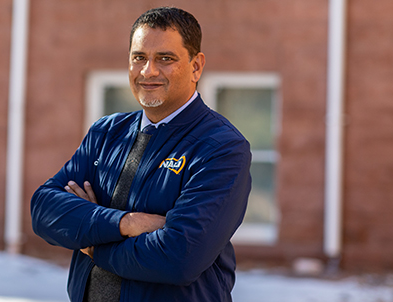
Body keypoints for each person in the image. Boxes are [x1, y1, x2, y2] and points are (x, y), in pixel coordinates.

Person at [30, 7, 252, 302]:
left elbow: (179, 258)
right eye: (139, 58)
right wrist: (127, 224)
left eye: (165, 58)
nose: (149, 71)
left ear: (196, 66)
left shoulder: (219, 147)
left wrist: (91, 241)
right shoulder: (106, 133)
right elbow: (44, 209)